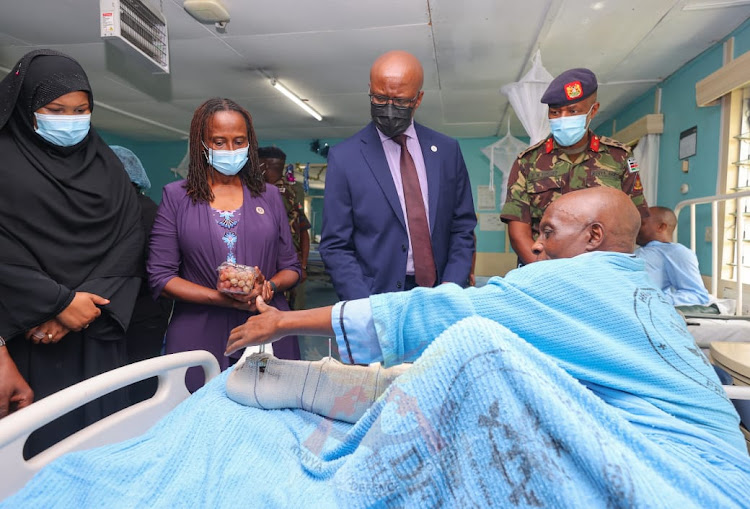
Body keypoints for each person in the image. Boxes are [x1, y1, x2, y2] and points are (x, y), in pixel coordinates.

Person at [222, 187, 749, 504]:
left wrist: (282, 326)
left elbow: (425, 312)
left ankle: (347, 475)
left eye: (548, 231)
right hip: (729, 472)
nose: (537, 245)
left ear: (593, 236)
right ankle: (341, 386)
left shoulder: (567, 282)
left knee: (474, 344)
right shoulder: (638, 283)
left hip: (678, 481)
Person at [0, 50, 144, 457]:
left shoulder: (108, 167)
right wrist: (58, 302)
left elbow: (128, 240)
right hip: (21, 342)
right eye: (55, 109)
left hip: (94, 329)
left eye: (81, 110)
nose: (70, 119)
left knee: (99, 444)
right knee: (30, 457)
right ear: (26, 109)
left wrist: (79, 307)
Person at [147, 98, 301, 392]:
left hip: (265, 324)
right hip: (198, 329)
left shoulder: (268, 196)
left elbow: (291, 267)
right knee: (195, 416)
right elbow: (161, 276)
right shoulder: (176, 197)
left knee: (268, 417)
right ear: (201, 145)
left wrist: (269, 286)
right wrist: (220, 298)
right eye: (219, 142)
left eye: (239, 141)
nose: (230, 150)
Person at [320, 50, 476, 300]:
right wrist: (363, 305)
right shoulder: (344, 158)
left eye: (400, 101)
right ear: (370, 90)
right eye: (380, 99)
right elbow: (336, 246)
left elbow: (462, 227)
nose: (389, 109)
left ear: (418, 98)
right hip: (374, 296)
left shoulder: (447, 151)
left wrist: (451, 288)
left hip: (440, 292)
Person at [501, 68, 649, 265]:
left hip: (601, 268)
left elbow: (633, 219)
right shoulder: (527, 162)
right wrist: (545, 270)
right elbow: (518, 231)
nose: (563, 118)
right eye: (555, 112)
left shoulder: (619, 157)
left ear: (593, 110)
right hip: (541, 267)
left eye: (573, 111)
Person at [110, 145, 173, 403]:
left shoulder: (133, 212)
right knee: (139, 380)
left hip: (136, 310)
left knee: (133, 382)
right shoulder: (152, 209)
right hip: (146, 311)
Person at [258, 146, 311, 309]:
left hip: (274, 266)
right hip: (288, 267)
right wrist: (302, 265)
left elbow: (303, 232)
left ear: (262, 165)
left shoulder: (257, 192)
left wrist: (301, 265)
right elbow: (304, 232)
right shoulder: (293, 192)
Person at [636, 206, 711, 306]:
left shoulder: (676, 252)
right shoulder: (640, 251)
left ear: (661, 227)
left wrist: (655, 300)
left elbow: (698, 295)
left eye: (642, 224)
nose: (636, 227)